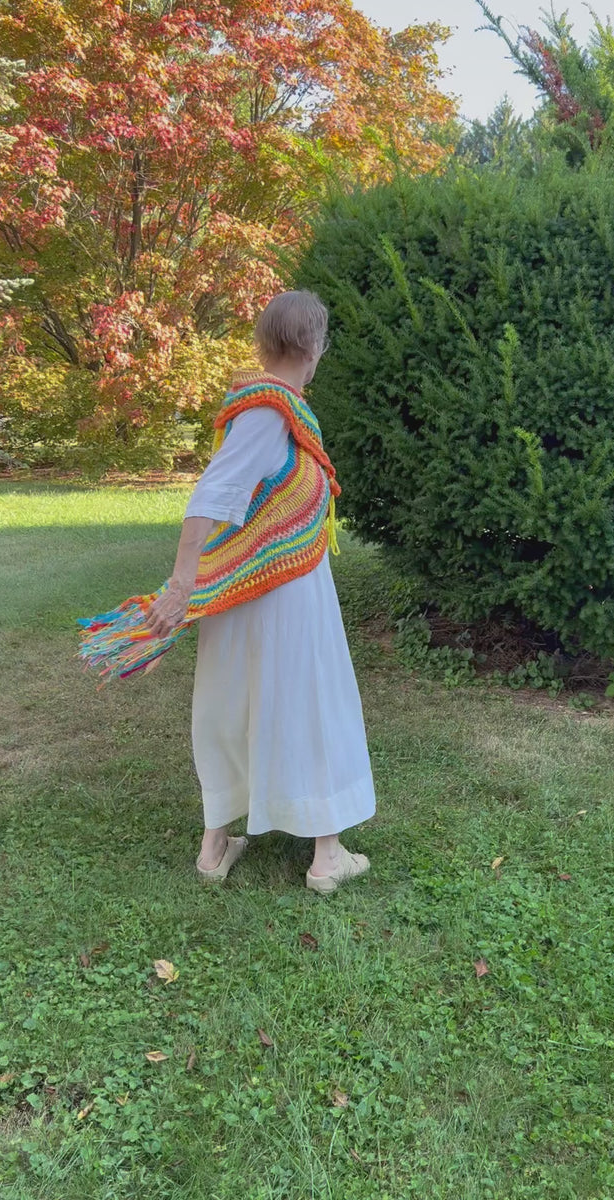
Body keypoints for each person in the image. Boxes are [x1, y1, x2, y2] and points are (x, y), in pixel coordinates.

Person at [139, 291, 376, 892]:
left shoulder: (273, 410)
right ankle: (326, 856)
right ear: (314, 346)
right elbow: (212, 495)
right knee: (312, 700)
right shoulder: (269, 411)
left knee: (231, 701)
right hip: (283, 593)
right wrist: (181, 580)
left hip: (256, 586)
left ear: (265, 343)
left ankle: (219, 844)